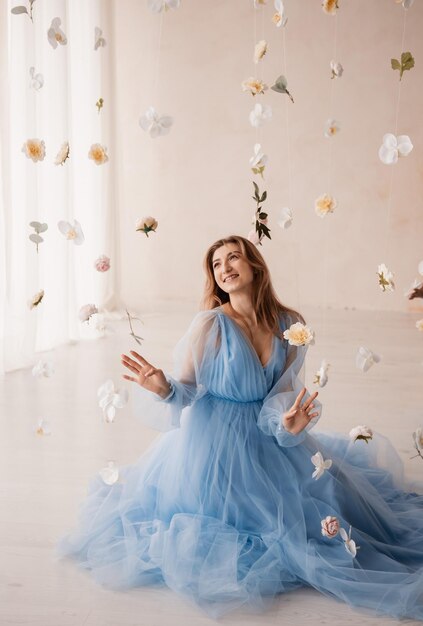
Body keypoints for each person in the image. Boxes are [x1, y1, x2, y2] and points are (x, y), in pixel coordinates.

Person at [59, 235, 423, 620]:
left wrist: (287, 423)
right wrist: (163, 388)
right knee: (251, 523)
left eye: (233, 258)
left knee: (335, 510)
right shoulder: (211, 326)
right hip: (214, 441)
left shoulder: (291, 325)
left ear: (255, 266)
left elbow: (281, 394)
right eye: (217, 264)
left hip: (265, 437)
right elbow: (188, 389)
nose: (225, 268)